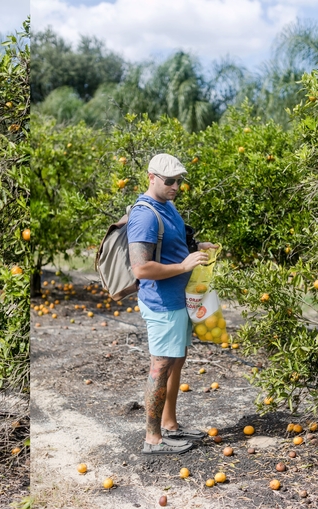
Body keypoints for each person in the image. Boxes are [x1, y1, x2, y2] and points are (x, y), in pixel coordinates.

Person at [127, 153, 218, 455]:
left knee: (176, 361)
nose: (176, 185)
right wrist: (183, 266)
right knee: (161, 365)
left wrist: (196, 248)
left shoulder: (167, 205)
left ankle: (170, 424)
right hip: (162, 303)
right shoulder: (144, 215)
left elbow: (172, 247)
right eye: (169, 180)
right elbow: (141, 268)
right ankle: (152, 439)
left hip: (180, 301)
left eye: (179, 180)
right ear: (151, 177)